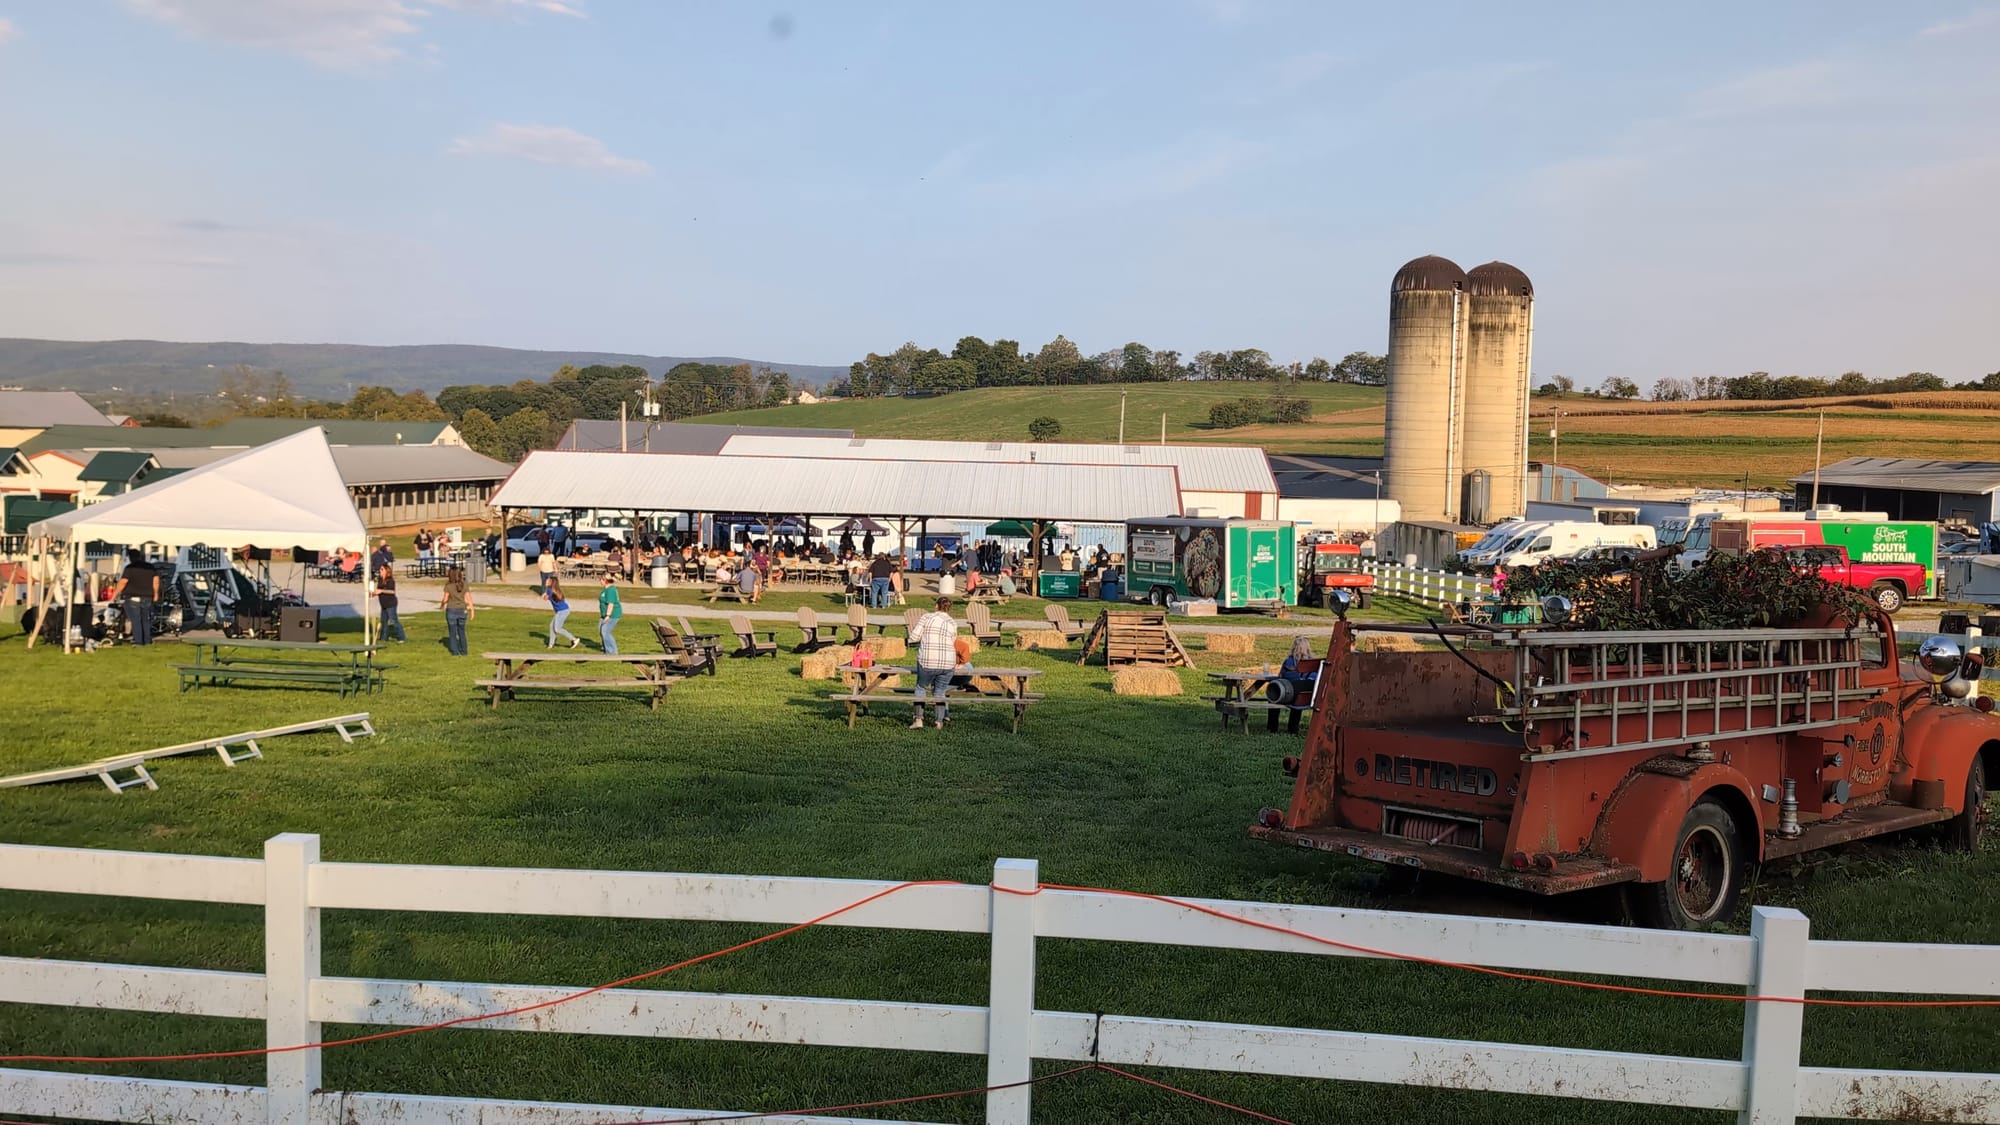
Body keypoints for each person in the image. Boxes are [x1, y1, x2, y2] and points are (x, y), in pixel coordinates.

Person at [909, 596, 964, 730]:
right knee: (940, 692)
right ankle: (939, 722)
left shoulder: (926, 617)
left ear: (936, 606)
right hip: (948, 663)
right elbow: (953, 641)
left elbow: (913, 637)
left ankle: (918, 719)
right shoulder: (952, 622)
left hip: (928, 661)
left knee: (921, 688)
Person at [107, 549, 162, 646]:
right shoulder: (150, 567)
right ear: (140, 556)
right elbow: (156, 581)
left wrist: (114, 595)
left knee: (136, 619)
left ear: (130, 557)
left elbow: (123, 582)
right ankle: (147, 640)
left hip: (133, 596)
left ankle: (138, 641)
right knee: (146, 619)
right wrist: (156, 594)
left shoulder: (130, 568)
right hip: (147, 596)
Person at [440, 566, 473, 655]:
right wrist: (472, 611)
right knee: (462, 631)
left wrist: (442, 605)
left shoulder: (448, 586)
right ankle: (464, 651)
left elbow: (445, 598)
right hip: (462, 610)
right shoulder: (465, 584)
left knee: (452, 632)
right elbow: (469, 599)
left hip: (451, 610)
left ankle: (454, 651)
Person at [544, 575, 579, 649]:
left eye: (548, 580)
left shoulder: (550, 591)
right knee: (551, 626)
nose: (546, 581)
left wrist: (545, 596)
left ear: (551, 583)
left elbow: (545, 597)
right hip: (560, 611)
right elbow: (546, 596)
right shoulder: (550, 589)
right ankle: (551, 645)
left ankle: (574, 639)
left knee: (557, 628)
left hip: (563, 611)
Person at [375, 562, 406, 643]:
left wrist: (381, 590)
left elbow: (392, 591)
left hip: (391, 604)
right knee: (383, 621)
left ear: (386, 570)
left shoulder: (390, 580)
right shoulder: (380, 579)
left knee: (394, 620)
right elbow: (378, 590)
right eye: (380, 569)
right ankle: (383, 638)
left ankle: (401, 637)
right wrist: (374, 593)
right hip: (383, 604)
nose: (380, 571)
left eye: (382, 569)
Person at [597, 574, 623, 653]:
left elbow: (611, 604)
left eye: (601, 579)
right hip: (604, 615)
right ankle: (605, 647)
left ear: (605, 581)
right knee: (600, 630)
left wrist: (608, 615)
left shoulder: (611, 590)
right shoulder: (606, 589)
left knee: (605, 631)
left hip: (613, 615)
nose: (600, 581)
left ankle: (612, 652)